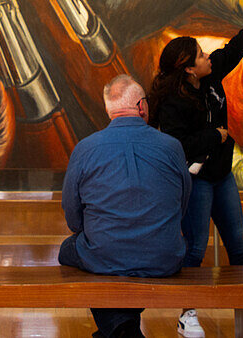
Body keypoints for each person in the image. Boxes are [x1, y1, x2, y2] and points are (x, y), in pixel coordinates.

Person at [147, 0, 243, 338]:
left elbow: (238, 46)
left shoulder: (210, 75)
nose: (209, 57)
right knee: (195, 247)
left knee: (238, 245)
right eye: (202, 56)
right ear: (189, 68)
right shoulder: (175, 101)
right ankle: (186, 313)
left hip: (222, 176)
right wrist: (215, 136)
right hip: (197, 180)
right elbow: (179, 145)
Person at [59, 74, 190, 338]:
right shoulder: (172, 147)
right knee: (126, 257)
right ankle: (121, 328)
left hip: (104, 254)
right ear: (142, 106)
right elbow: (183, 204)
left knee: (68, 250)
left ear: (109, 109)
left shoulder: (85, 148)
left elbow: (73, 218)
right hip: (164, 256)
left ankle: (121, 329)